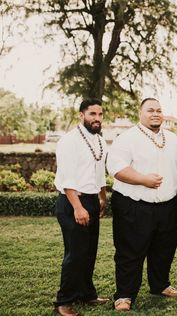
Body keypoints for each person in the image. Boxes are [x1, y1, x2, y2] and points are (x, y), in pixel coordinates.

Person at [106, 98, 177, 312]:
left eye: (159, 110)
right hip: (133, 205)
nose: (156, 114)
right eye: (150, 110)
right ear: (140, 113)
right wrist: (143, 180)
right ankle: (124, 295)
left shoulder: (172, 139)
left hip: (167, 206)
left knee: (164, 249)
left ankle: (160, 285)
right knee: (129, 251)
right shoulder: (126, 138)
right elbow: (116, 168)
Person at [53, 99, 109, 316]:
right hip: (72, 202)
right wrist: (77, 207)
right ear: (81, 115)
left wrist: (102, 197)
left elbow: (100, 171)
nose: (97, 118)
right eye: (92, 114)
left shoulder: (100, 140)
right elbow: (67, 177)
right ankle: (64, 301)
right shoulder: (70, 141)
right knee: (75, 253)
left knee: (89, 252)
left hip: (91, 201)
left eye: (100, 114)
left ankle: (87, 294)